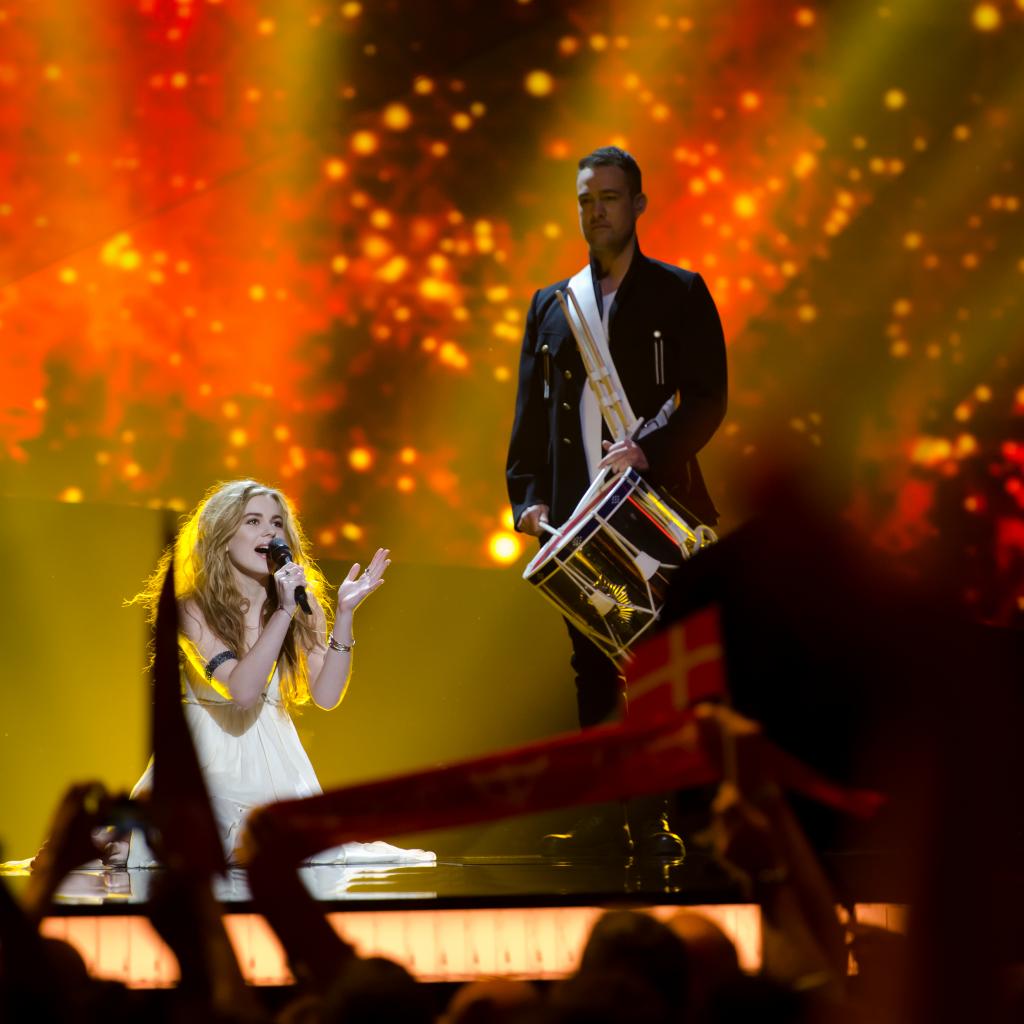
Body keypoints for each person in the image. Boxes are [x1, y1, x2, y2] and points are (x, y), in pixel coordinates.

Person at [506, 146, 727, 856]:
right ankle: (608, 816)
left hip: (659, 506)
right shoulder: (551, 304)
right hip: (579, 513)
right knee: (592, 664)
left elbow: (709, 399)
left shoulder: (680, 291)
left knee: (662, 666)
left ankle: (669, 816)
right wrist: (527, 498)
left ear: (637, 205)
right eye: (585, 200)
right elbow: (530, 415)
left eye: (608, 197)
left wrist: (649, 452)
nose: (595, 211)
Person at [116, 478, 434, 868]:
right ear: (222, 536)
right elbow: (242, 691)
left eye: (277, 522)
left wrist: (344, 615)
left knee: (288, 849)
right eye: (252, 521)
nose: (269, 532)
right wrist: (283, 611)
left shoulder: (300, 604)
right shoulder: (191, 608)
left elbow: (327, 696)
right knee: (218, 844)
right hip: (204, 761)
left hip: (276, 760)